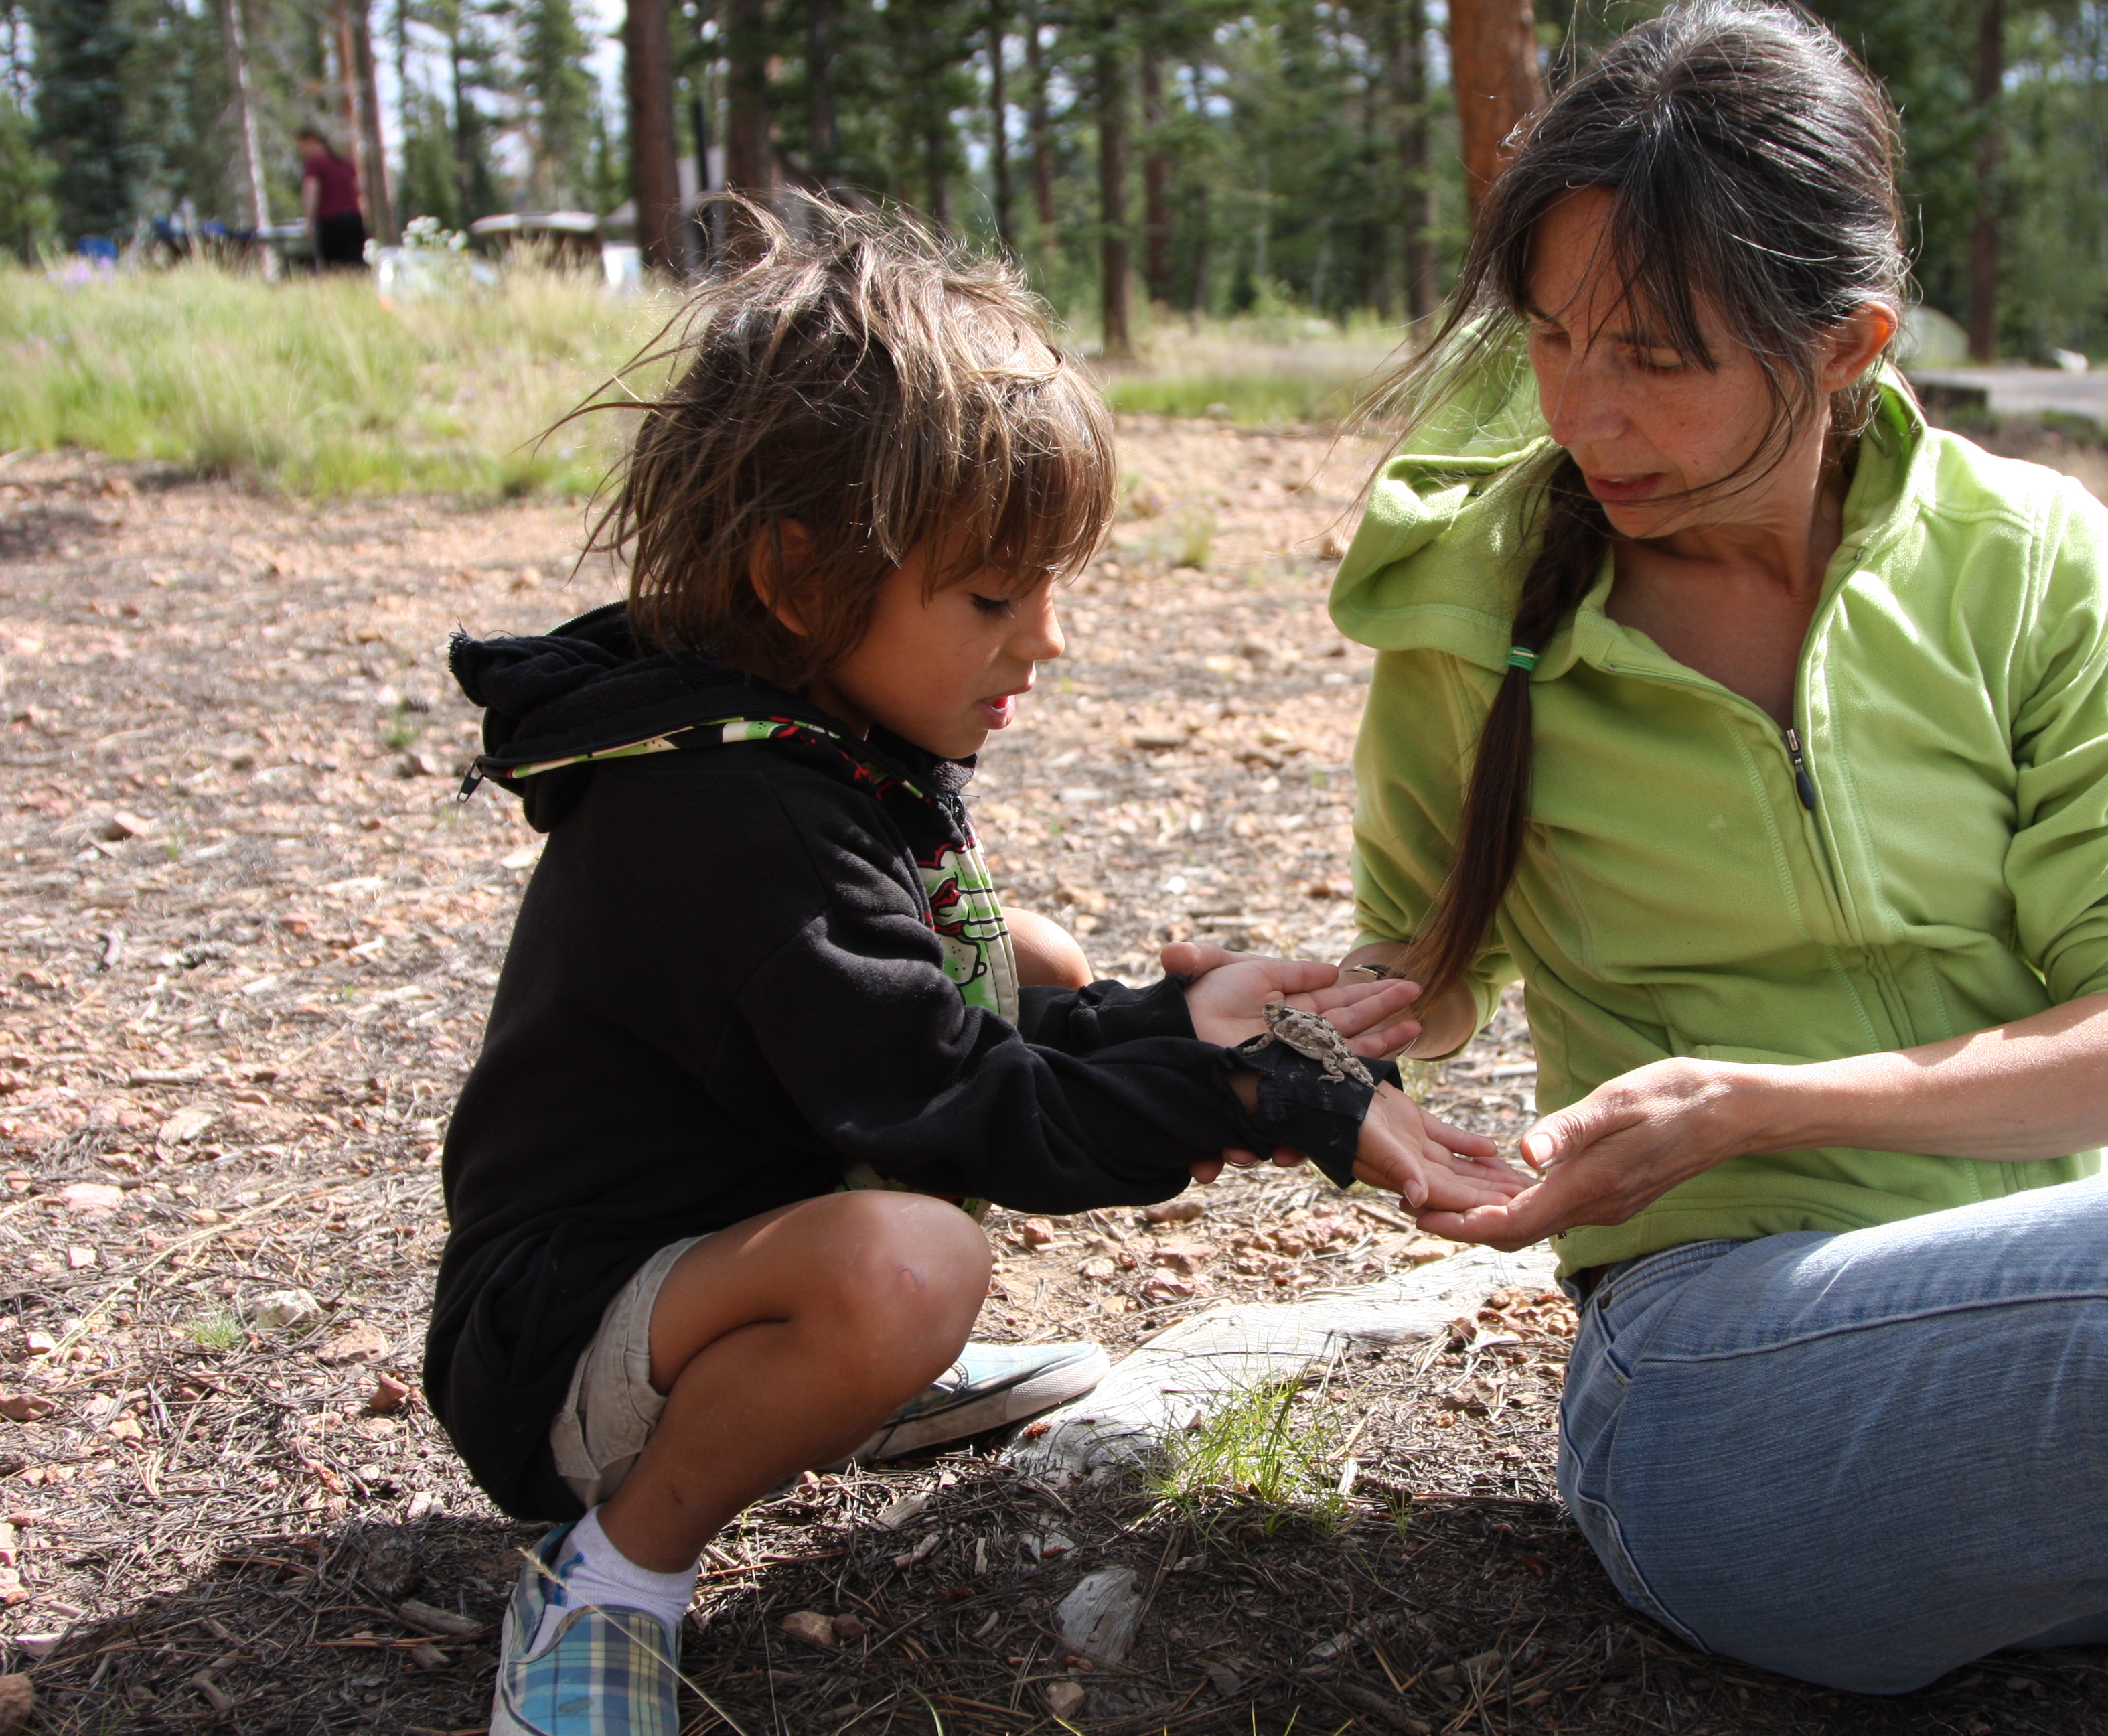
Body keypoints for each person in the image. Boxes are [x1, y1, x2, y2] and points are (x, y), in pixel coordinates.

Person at [1337, 5, 2108, 1731]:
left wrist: (1765, 1098)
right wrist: (1288, 1037)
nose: (1587, 412)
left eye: (1656, 355)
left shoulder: (2030, 563)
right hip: (1725, 1389)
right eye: (1553, 339)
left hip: (2093, 1317)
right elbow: (1414, 976)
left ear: (1847, 341)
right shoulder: (1471, 591)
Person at [432, 198, 1521, 1736]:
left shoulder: (800, 736)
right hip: (558, 1348)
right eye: (995, 598)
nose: (1045, 645)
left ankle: (833, 1383)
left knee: (1028, 958)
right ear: (802, 582)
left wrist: (1178, 1021)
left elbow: (955, 1041)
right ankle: (612, 1570)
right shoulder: (728, 820)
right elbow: (962, 1111)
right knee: (912, 1267)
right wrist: (1266, 1094)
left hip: (710, 1244)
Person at [296, 126, 368, 271]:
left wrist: (309, 222)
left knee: (335, 269)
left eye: (303, 146)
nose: (302, 150)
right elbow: (359, 188)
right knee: (357, 266)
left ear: (312, 141)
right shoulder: (345, 162)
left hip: (331, 222)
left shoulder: (314, 163)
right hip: (354, 220)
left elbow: (311, 190)